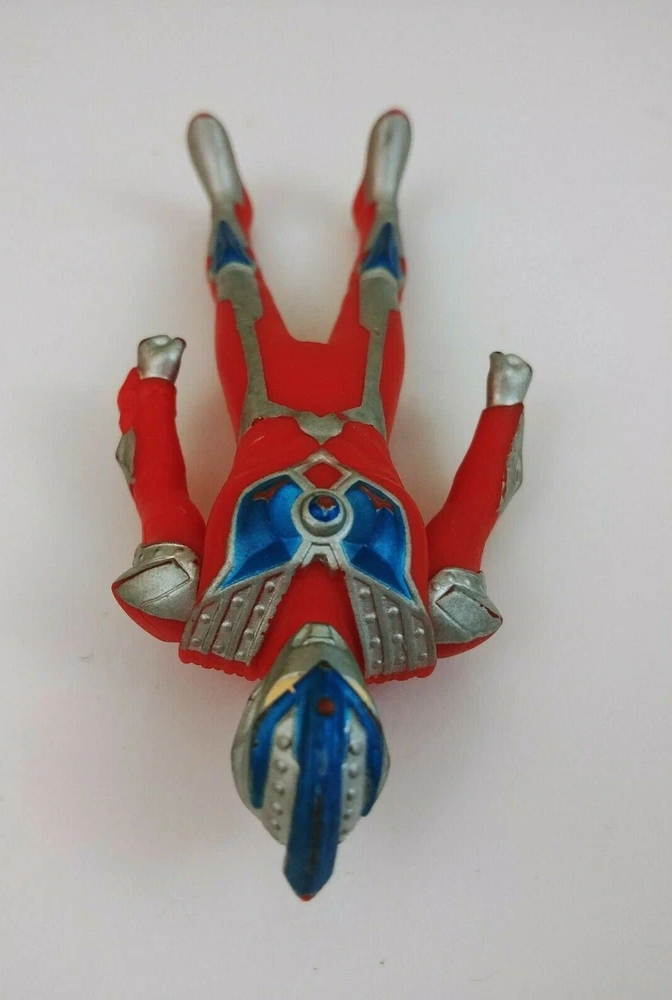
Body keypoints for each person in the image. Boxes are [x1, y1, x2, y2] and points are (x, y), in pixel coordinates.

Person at [111, 111, 532, 898]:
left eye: (298, 690)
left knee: (239, 287)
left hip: (267, 399)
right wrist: (503, 413)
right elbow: (471, 515)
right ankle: (382, 203)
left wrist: (154, 393)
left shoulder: (199, 611)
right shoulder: (425, 624)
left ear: (260, 709)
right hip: (362, 405)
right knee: (380, 290)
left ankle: (226, 205)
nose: (320, 664)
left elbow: (159, 492)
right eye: (338, 690)